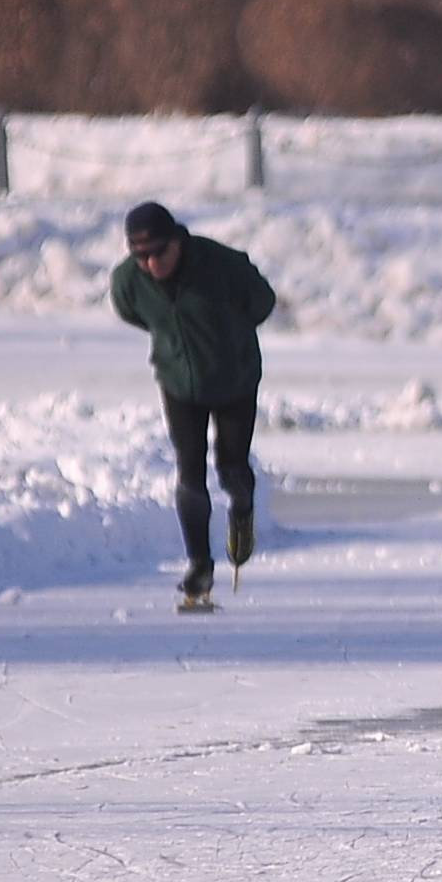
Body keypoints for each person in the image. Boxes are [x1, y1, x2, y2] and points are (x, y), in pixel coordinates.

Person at [106, 199, 278, 612]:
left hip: (235, 378)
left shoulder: (220, 264)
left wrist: (227, 333)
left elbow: (263, 302)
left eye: (158, 253)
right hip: (179, 382)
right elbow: (134, 312)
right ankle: (199, 564)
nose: (151, 265)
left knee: (232, 468)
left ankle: (242, 508)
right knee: (189, 469)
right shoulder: (129, 281)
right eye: (140, 256)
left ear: (176, 241)